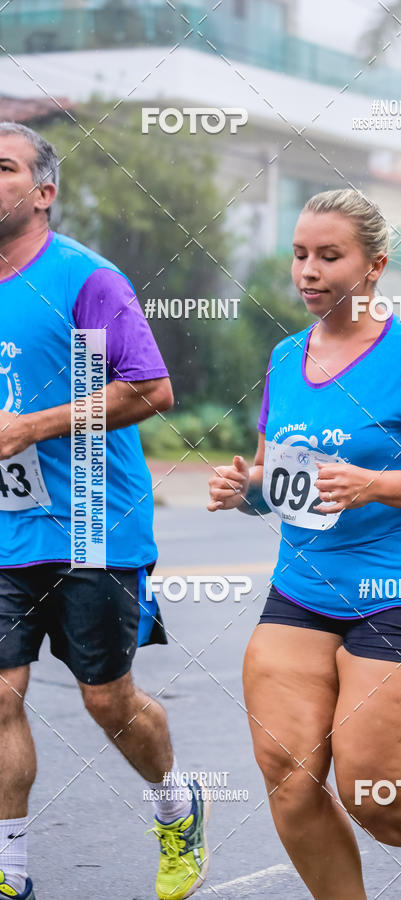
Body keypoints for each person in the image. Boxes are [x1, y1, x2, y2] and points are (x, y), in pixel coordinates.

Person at [208, 189, 401, 899]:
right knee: (286, 775)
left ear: (374, 266)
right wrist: (248, 491)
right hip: (303, 589)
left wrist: (375, 484)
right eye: (302, 253)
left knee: (373, 792)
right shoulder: (283, 358)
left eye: (329, 256)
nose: (308, 270)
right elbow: (285, 480)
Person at [0, 123, 208, 900]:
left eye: (3, 167)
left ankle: (177, 806)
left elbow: (152, 390)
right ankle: (11, 868)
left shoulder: (87, 280)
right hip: (7, 526)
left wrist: (29, 426)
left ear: (43, 192)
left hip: (94, 523)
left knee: (107, 700)